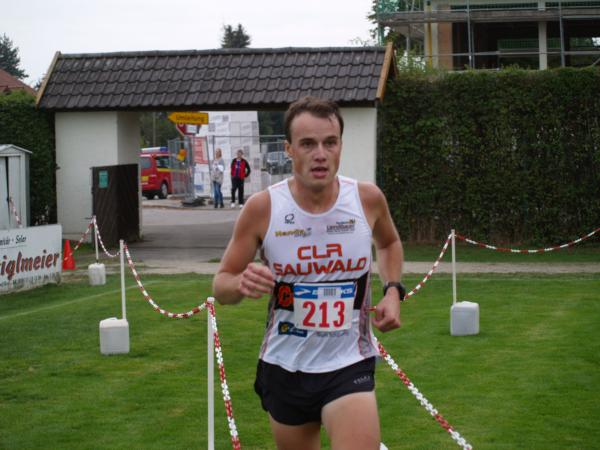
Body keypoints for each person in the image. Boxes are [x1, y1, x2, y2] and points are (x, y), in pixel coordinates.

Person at [212, 96, 405, 450]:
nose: (320, 154)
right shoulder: (263, 208)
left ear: (340, 145)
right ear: (288, 149)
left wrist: (393, 290)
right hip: (285, 366)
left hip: (349, 361)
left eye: (330, 142)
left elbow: (389, 243)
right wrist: (240, 283)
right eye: (308, 144)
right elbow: (221, 285)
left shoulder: (366, 199)